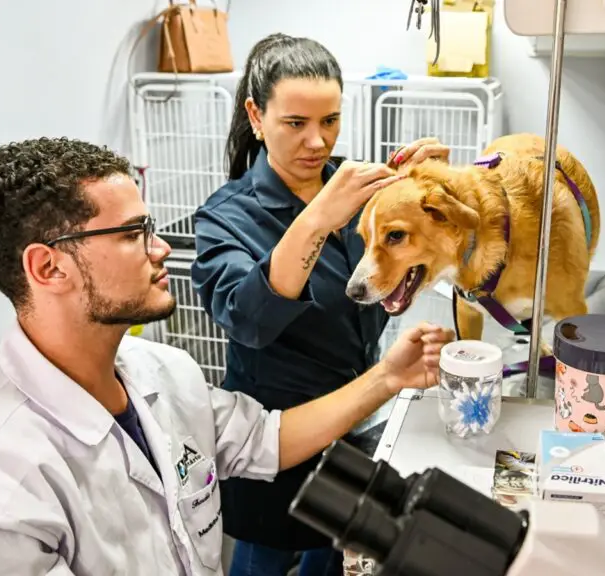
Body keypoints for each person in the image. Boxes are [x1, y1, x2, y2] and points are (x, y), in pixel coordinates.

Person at [0, 137, 453, 576]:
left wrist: (389, 376)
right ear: (49, 268)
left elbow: (268, 437)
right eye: (132, 233)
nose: (161, 246)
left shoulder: (161, 372)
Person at [190, 33, 450, 576]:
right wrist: (315, 220)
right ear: (256, 116)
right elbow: (249, 319)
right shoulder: (225, 218)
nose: (318, 142)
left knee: (331, 559)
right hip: (272, 448)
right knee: (265, 561)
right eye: (296, 123)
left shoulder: (361, 194)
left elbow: (405, 266)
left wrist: (435, 189)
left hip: (355, 426)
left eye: (330, 121)